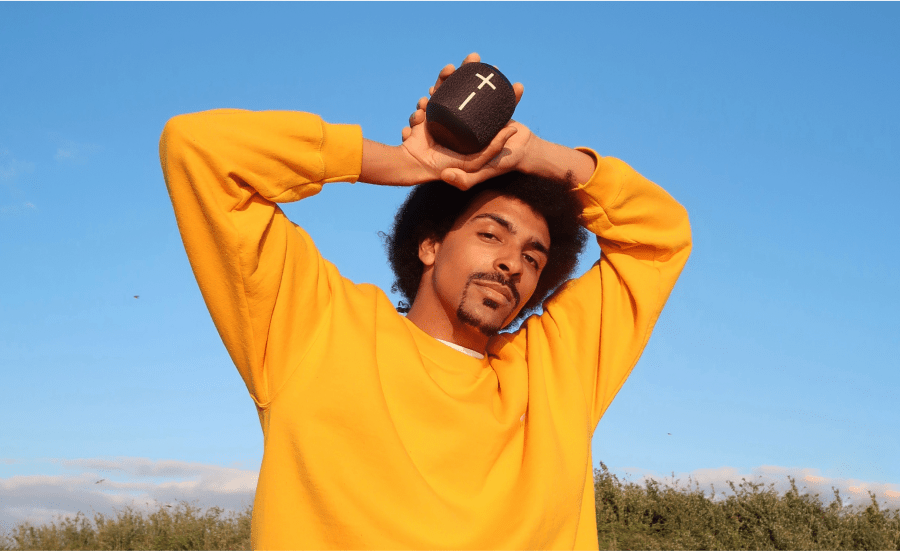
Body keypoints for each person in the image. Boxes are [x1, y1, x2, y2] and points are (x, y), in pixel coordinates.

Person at [159, 54, 691, 551]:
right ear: (430, 243)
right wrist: (405, 162)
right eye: (490, 235)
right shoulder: (317, 327)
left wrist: (537, 157)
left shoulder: (554, 372)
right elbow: (200, 148)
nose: (512, 262)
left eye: (534, 257)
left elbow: (661, 237)